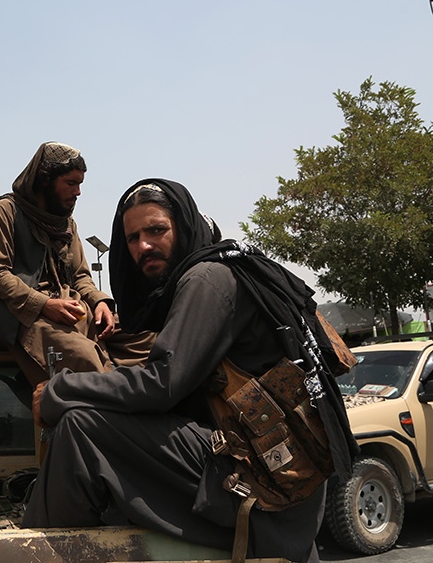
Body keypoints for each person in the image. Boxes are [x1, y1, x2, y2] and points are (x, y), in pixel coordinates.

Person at [22, 179, 357, 562]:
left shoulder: (207, 279)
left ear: (183, 228)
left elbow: (162, 384)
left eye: (156, 230)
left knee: (82, 428)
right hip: (269, 478)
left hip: (262, 487)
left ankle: (32, 556)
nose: (143, 246)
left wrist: (59, 391)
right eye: (132, 238)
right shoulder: (226, 271)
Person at [0, 142, 154, 386]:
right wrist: (44, 304)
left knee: (147, 337)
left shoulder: (66, 223)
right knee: (84, 357)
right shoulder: (6, 211)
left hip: (73, 307)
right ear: (45, 180)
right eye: (71, 183)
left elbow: (81, 276)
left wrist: (100, 303)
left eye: (80, 184)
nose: (78, 192)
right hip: (26, 314)